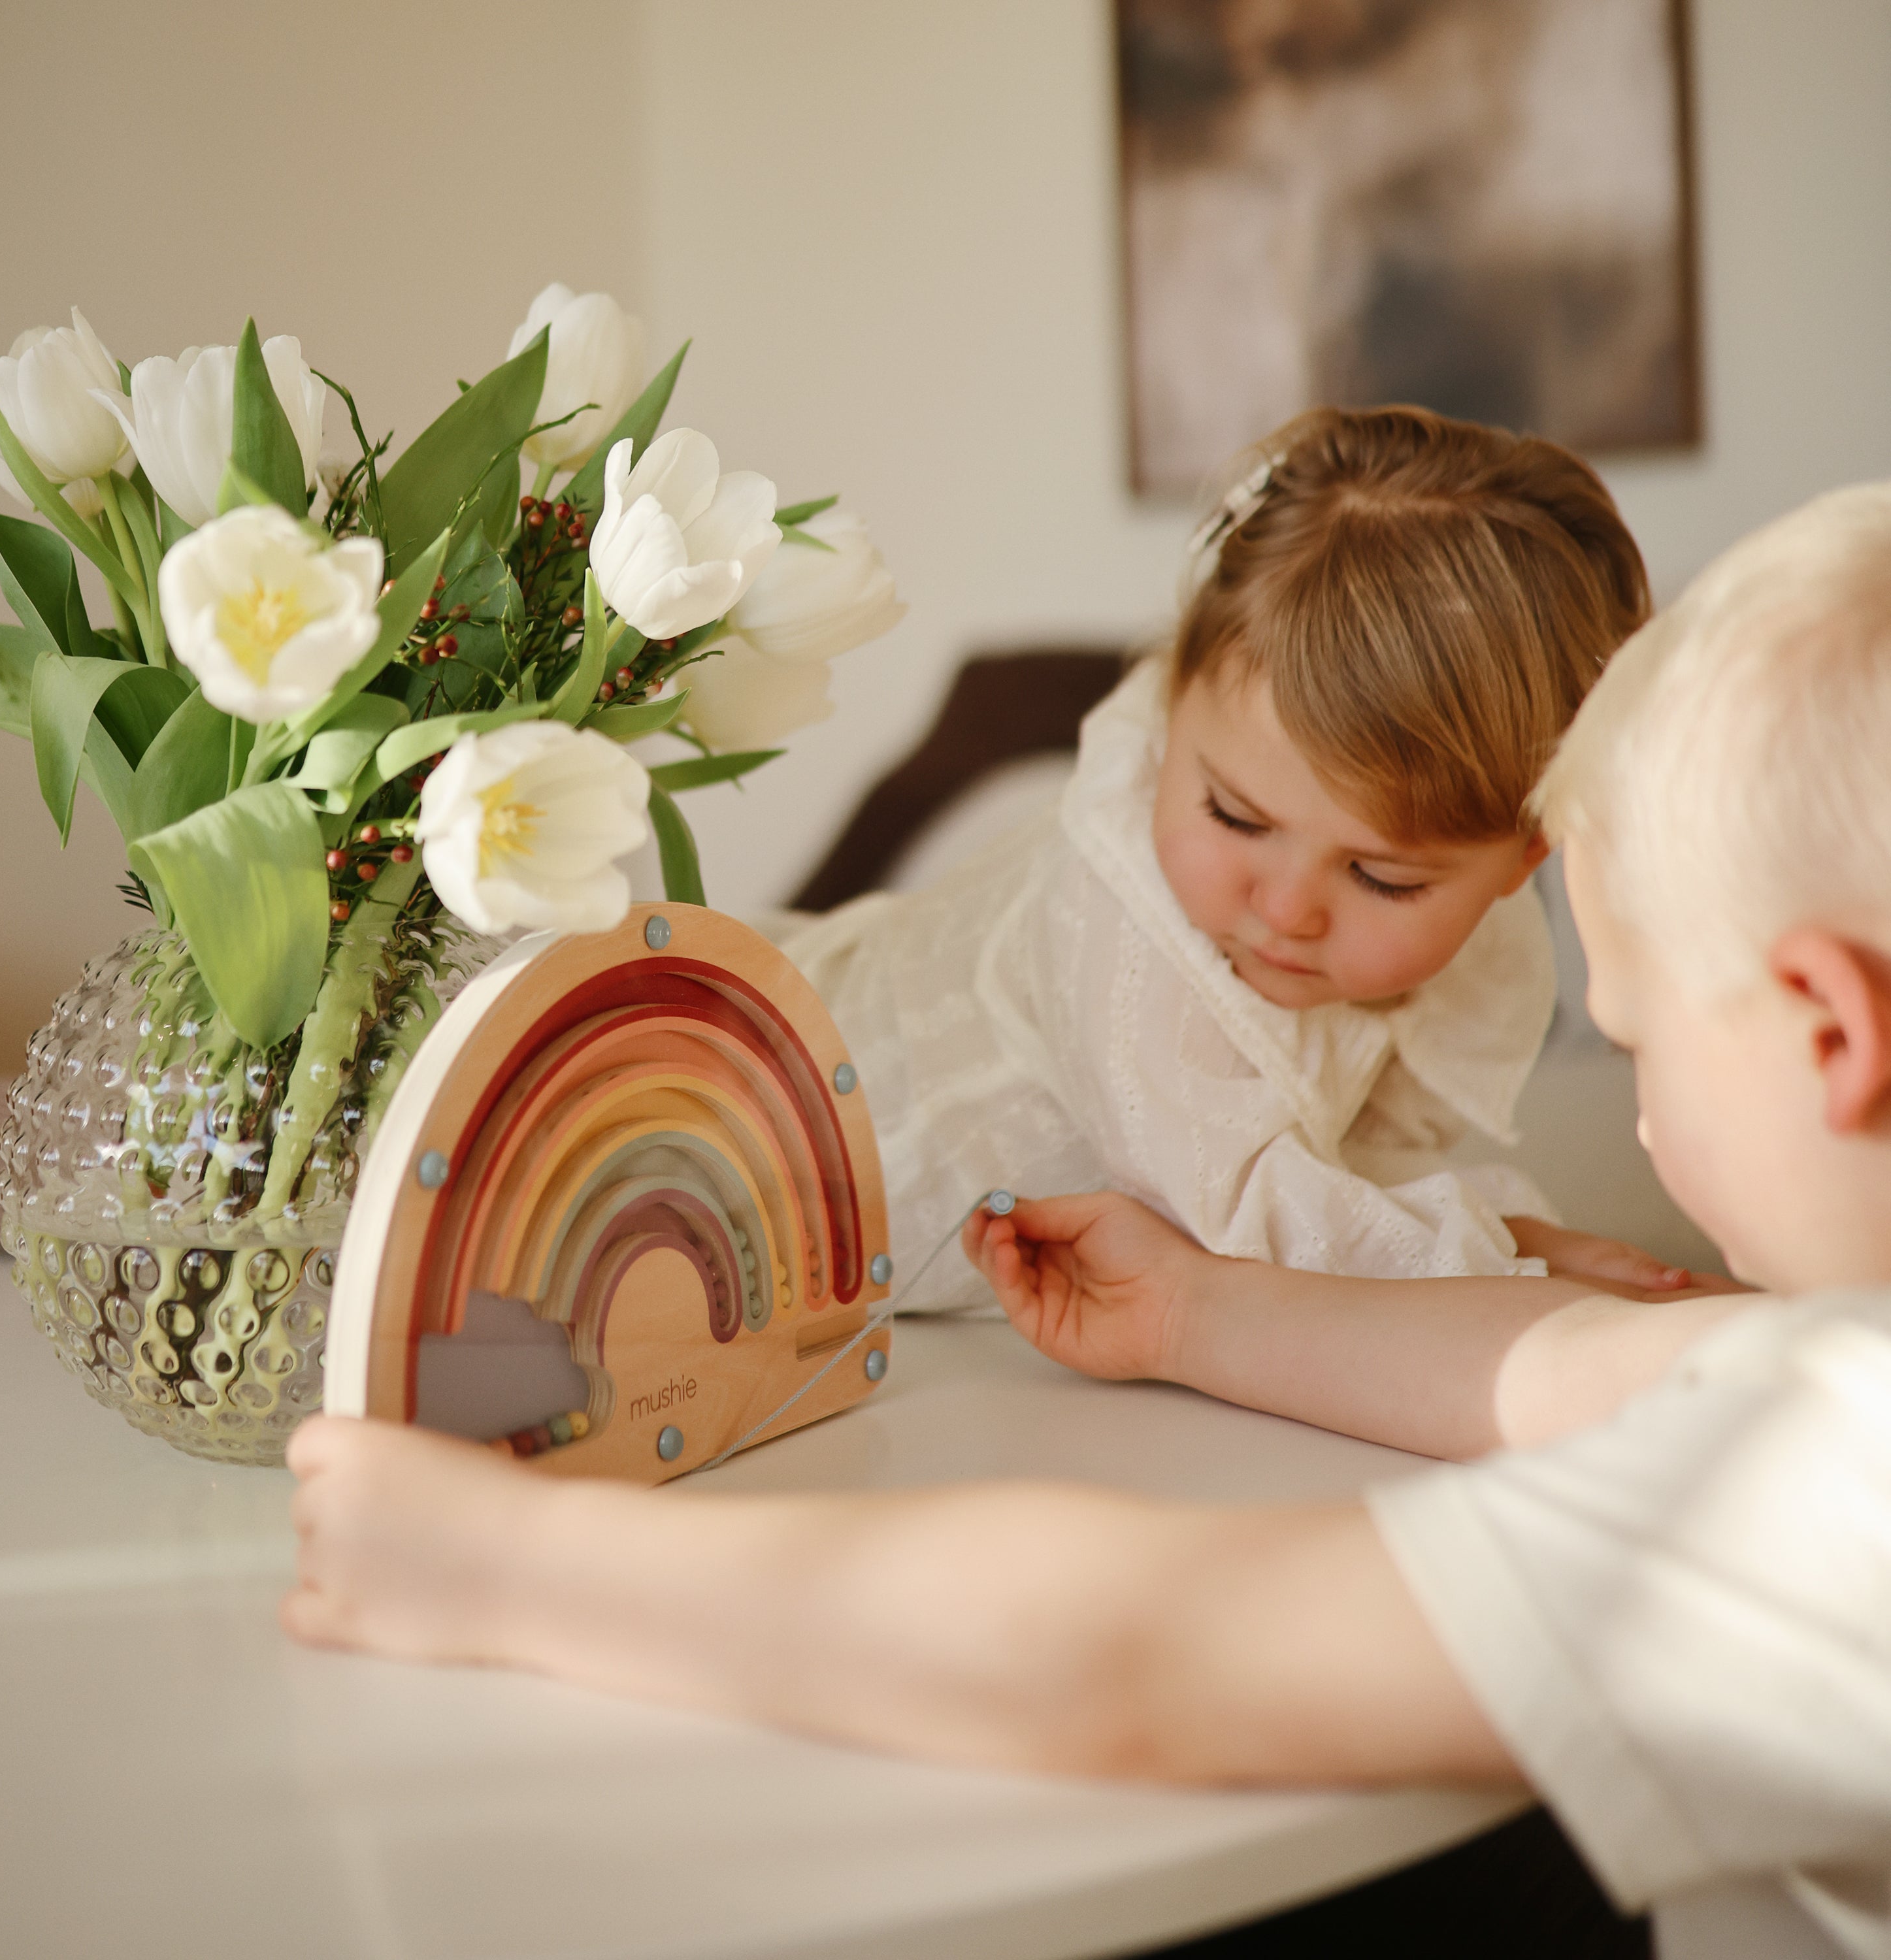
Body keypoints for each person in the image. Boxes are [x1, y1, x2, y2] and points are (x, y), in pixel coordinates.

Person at [287, 484, 1891, 1957]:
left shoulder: (1841, 1482)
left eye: (1638, 1032)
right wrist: (1201, 1311)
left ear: (1833, 1036)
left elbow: (1137, 1653)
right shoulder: (1828, 1391)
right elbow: (1573, 1372)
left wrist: (513, 1570)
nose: (1633, 1096)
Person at [776, 405, 1683, 1304]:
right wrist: (1510, 1251)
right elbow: (1246, 1228)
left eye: (1382, 878)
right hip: (759, 1130)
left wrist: (1497, 1239)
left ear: (1526, 857)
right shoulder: (1121, 920)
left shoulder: (1451, 945)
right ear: (1174, 703)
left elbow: (1352, 1159)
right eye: (1236, 818)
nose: (1288, 908)